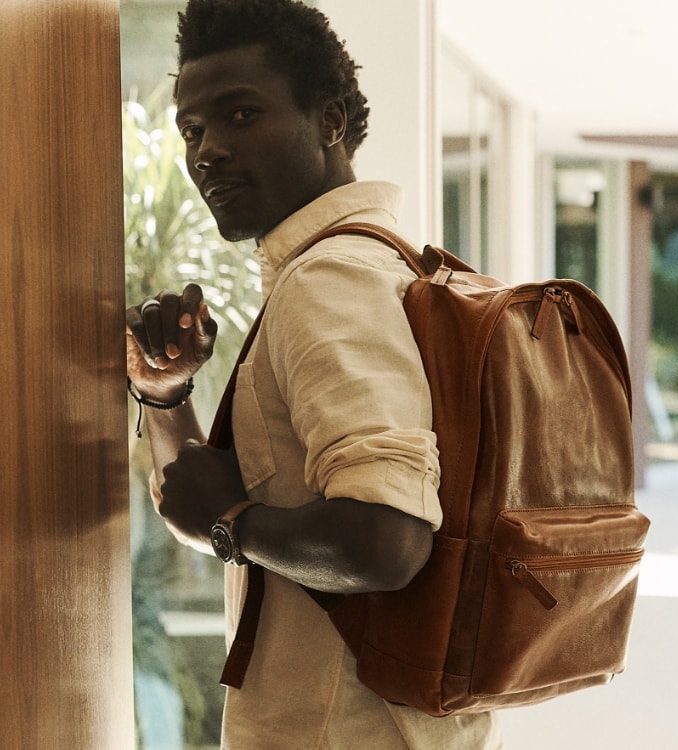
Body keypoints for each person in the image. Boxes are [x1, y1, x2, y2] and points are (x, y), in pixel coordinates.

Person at [125, 1, 503, 747]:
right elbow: (227, 512)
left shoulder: (330, 281)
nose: (207, 152)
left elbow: (385, 541)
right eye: (193, 131)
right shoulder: (385, 262)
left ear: (330, 119)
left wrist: (230, 525)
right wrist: (164, 393)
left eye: (240, 114)